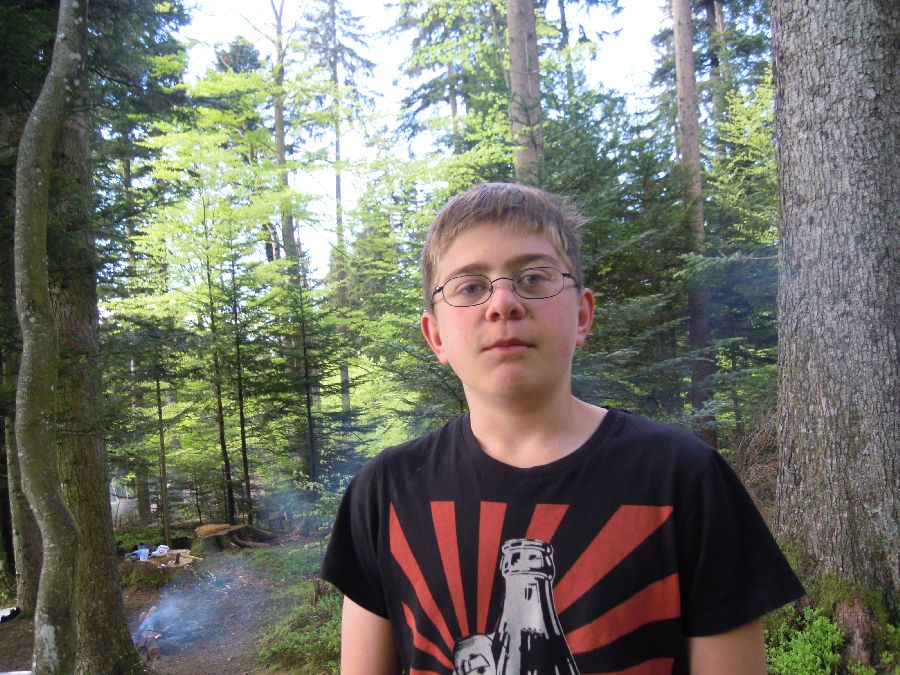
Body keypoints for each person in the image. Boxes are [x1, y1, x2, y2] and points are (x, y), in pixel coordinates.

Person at [321, 183, 804, 675]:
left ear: (581, 315)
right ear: (436, 335)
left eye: (533, 277)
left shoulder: (685, 480)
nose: (503, 302)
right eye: (469, 287)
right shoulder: (384, 494)